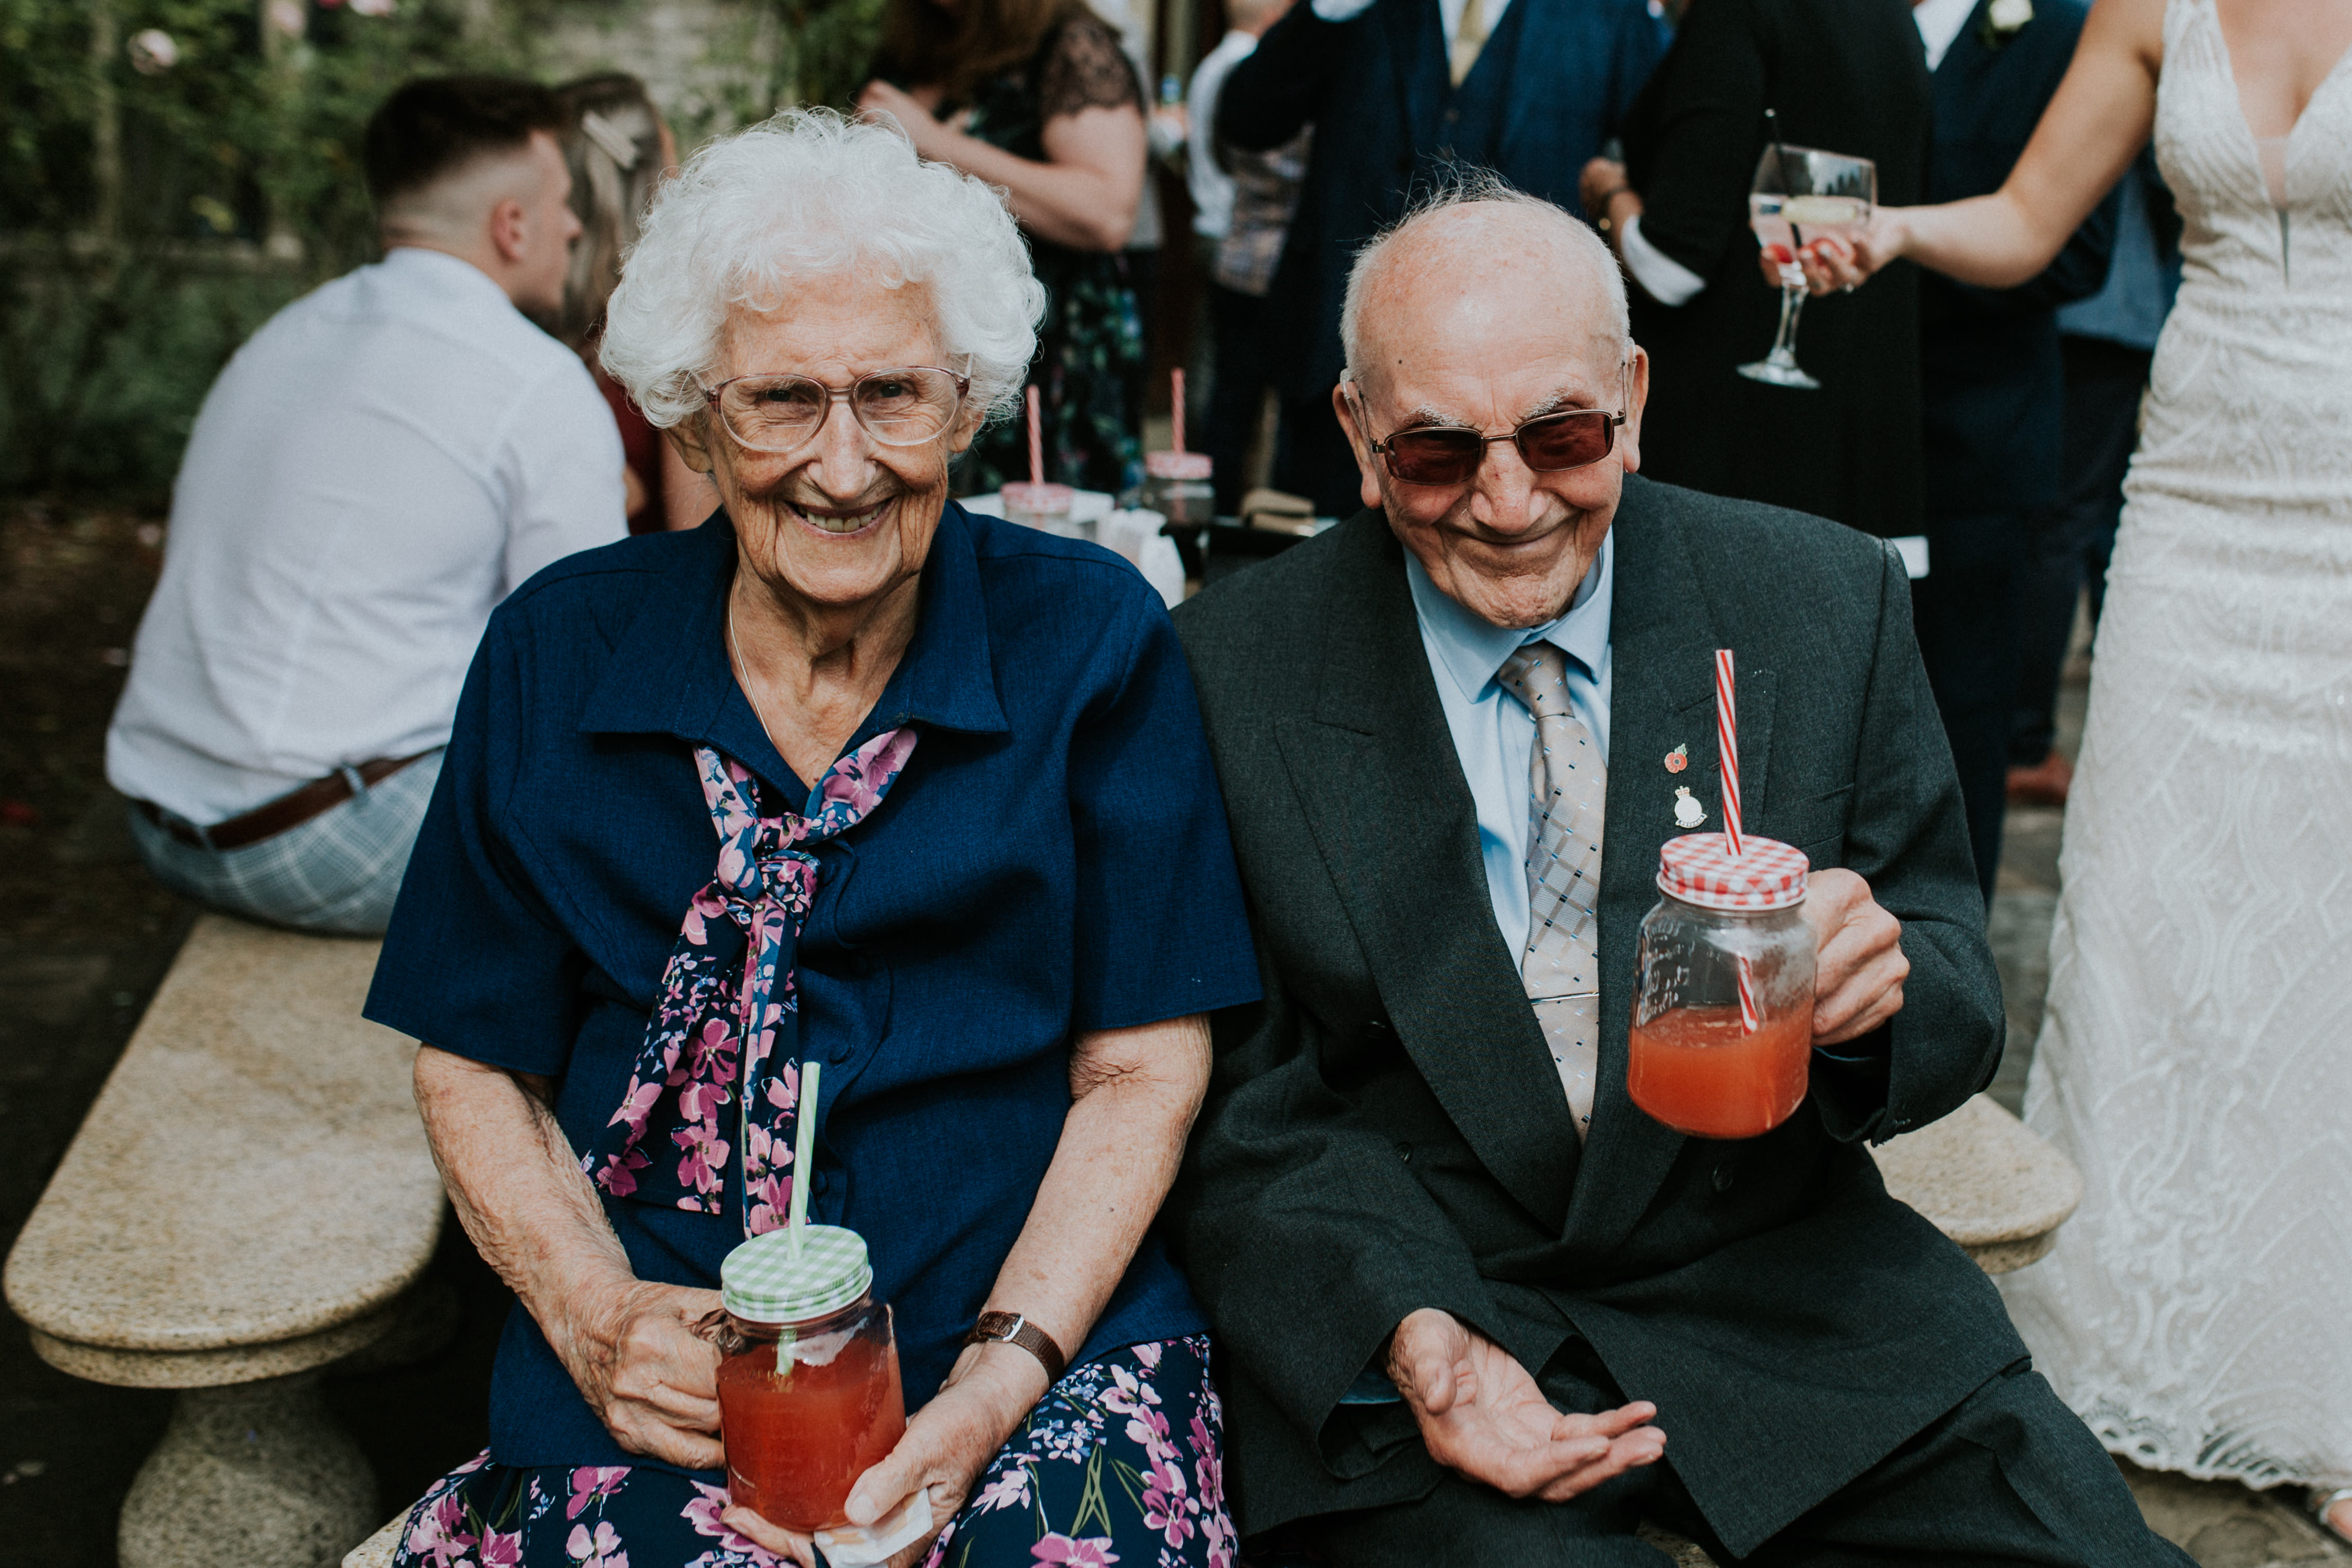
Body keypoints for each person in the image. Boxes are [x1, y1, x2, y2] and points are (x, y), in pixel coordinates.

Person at [1166, 183, 2196, 1566]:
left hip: (1787, 1292)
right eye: (1434, 452)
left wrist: (1878, 994)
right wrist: (1405, 1326)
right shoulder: (1230, 665)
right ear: (1354, 431)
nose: (1509, 498)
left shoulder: (1820, 597)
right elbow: (1235, 1095)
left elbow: (1950, 963)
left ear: (1634, 398)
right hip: (1439, 1301)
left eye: (1563, 432)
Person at [362, 111, 1261, 1568]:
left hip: (1025, 1327)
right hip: (668, 1352)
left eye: (892, 395)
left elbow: (1141, 1064)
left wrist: (994, 1379)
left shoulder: (1089, 640)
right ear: (694, 414)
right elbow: (472, 1053)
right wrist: (594, 1319)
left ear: (965, 404)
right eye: (782, 399)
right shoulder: (555, 650)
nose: (842, 466)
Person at [1792, 0, 2352, 1538]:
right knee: (2151, 901)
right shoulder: (2145, 5)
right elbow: (2033, 218)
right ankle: (2117, 1341)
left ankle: (2329, 1386)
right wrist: (1890, 229)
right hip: (2188, 500)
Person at [104, 75, 627, 937]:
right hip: (318, 837)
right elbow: (583, 661)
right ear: (512, 224)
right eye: (566, 202)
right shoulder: (532, 379)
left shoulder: (284, 334)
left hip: (160, 814)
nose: (575, 227)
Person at [1215, 0, 1669, 516]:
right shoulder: (1352, 10)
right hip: (1336, 371)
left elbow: (1664, 166)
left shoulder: (1614, 15)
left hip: (1523, 400)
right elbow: (1247, 120)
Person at [1576, 0, 1932, 542]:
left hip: (1733, 460)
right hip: (1860, 443)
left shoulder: (1736, 14)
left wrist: (1608, 189)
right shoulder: (1894, 20)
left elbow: (1670, 265)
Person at [1910, 0, 2119, 902]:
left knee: (1964, 728)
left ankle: (1952, 965)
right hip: (1842, 434)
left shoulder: (2065, 29)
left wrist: (1893, 249)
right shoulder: (1843, 20)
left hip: (1980, 441)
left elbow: (2076, 257)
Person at [858, 0, 1151, 496]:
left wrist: (931, 141)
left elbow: (1108, 212)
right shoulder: (914, 53)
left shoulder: (1072, 47)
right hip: (922, 334)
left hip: (1044, 345)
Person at [2006, 148, 2179, 807]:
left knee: (2070, 519)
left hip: (2070, 302)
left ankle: (2026, 735)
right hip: (2110, 299)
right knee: (2067, 522)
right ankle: (2024, 740)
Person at [551, 73, 719, 534]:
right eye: (672, 153)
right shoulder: (673, 327)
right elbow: (696, 532)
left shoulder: (667, 326)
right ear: (652, 179)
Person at [1188, 0, 1308, 514]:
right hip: (1264, 264)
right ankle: (1231, 511)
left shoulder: (1213, 63)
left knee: (1229, 397)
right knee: (1244, 404)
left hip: (1237, 252)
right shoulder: (1252, 75)